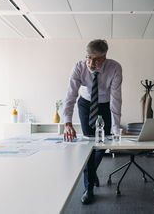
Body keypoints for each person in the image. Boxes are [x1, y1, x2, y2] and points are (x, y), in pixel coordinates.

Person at [63, 39, 122, 204]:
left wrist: (117, 127)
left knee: (103, 144)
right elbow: (70, 95)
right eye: (88, 57)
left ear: (104, 58)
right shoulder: (79, 67)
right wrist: (67, 122)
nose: (91, 62)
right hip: (86, 104)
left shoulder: (115, 68)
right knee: (89, 145)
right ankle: (88, 189)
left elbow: (116, 98)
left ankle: (91, 170)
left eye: (96, 59)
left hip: (104, 105)